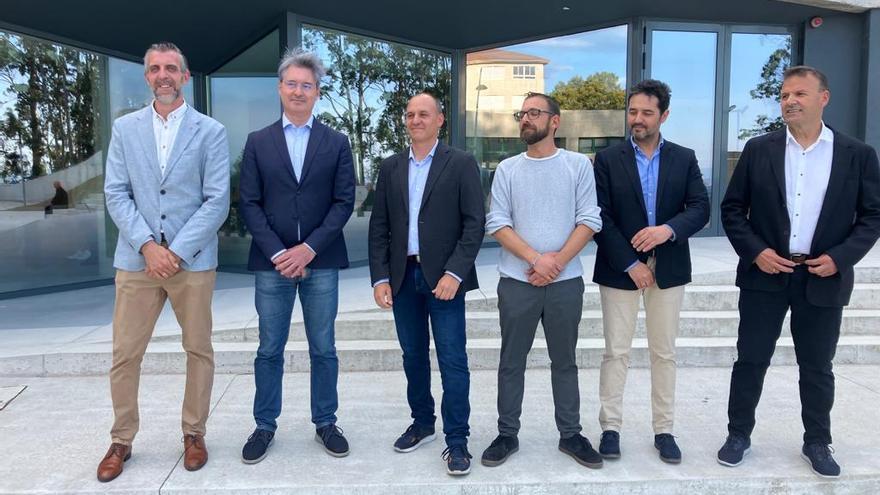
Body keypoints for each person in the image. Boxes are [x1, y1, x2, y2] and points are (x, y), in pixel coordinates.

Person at [718, 65, 880, 478]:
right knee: (751, 360)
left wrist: (841, 257)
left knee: (817, 366)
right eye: (785, 95)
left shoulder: (856, 154)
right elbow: (733, 210)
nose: (789, 101)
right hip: (765, 274)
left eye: (800, 94)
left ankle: (817, 441)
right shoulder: (759, 149)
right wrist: (756, 252)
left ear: (823, 98)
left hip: (823, 275)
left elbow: (872, 216)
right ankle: (738, 434)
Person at [98, 42, 230, 482]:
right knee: (124, 354)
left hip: (191, 262)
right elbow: (115, 192)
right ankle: (121, 439)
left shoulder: (210, 131)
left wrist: (174, 251)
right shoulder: (125, 128)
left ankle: (194, 432)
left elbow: (216, 201)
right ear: (147, 77)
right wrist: (147, 247)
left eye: (171, 68)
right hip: (137, 261)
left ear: (185, 76)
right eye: (155, 68)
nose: (163, 75)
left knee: (198, 349)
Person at [238, 48, 355, 463]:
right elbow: (249, 203)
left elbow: (344, 202)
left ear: (317, 92)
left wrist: (308, 249)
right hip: (272, 266)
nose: (299, 91)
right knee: (270, 348)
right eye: (292, 83)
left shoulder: (337, 143)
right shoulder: (258, 142)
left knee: (323, 347)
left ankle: (325, 422)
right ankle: (264, 425)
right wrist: (279, 253)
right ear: (280, 88)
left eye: (307, 85)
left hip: (320, 262)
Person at [481, 92, 604, 469]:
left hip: (566, 284)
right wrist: (536, 259)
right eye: (523, 113)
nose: (526, 119)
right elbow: (497, 223)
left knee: (564, 361)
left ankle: (570, 434)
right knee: (511, 361)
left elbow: (590, 220)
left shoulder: (578, 166)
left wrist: (556, 263)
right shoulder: (508, 169)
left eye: (535, 113)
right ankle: (506, 434)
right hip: (516, 282)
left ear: (555, 121)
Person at [592, 79, 709, 464]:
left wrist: (667, 230)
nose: (637, 119)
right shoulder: (607, 159)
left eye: (646, 113)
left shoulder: (684, 157)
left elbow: (700, 208)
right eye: (632, 111)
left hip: (670, 266)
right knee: (616, 352)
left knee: (664, 353)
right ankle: (610, 428)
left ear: (664, 115)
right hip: (619, 268)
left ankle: (664, 430)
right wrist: (630, 262)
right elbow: (600, 218)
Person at [368, 93, 485, 475]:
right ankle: (422, 423)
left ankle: (457, 441)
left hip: (444, 280)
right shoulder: (390, 167)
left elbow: (474, 224)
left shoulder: (462, 163)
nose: (416, 119)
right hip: (403, 278)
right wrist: (381, 277)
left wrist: (454, 273)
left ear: (440, 121)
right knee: (413, 356)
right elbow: (380, 227)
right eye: (410, 114)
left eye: (424, 114)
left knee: (453, 360)